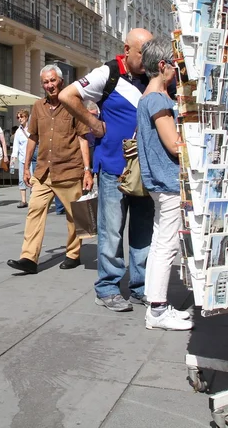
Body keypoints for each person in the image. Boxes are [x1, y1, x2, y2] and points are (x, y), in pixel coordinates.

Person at [59, 28, 155, 312]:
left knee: (143, 231)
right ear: (127, 49)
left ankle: (141, 286)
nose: (146, 59)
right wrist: (94, 124)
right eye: (142, 53)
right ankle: (108, 287)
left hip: (145, 168)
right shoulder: (108, 72)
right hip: (114, 167)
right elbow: (68, 95)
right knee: (112, 231)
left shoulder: (151, 76)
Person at [7, 65, 93, 274]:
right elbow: (33, 137)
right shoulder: (38, 106)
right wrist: (26, 167)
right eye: (46, 82)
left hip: (69, 169)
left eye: (52, 80)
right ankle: (28, 257)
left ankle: (73, 253)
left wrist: (88, 170)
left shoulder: (74, 103)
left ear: (60, 81)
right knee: (34, 211)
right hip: (44, 171)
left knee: (76, 215)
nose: (49, 85)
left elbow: (83, 138)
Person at [137, 39, 193, 330]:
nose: (177, 69)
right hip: (168, 181)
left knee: (161, 242)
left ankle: (154, 303)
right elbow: (174, 144)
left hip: (159, 182)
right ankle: (157, 310)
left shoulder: (147, 98)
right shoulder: (158, 100)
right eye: (175, 63)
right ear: (162, 66)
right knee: (166, 245)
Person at [11, 109, 30, 208]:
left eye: (21, 117)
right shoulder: (18, 131)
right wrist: (13, 157)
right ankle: (23, 200)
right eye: (18, 117)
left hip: (32, 159)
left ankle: (34, 199)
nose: (19, 119)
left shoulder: (32, 129)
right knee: (22, 179)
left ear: (26, 117)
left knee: (33, 179)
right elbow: (16, 146)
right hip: (22, 159)